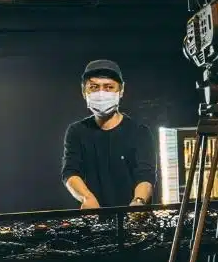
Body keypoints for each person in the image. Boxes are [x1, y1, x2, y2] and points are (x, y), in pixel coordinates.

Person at [61, 59, 157, 209]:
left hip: (133, 221)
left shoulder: (139, 132)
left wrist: (138, 202)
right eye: (94, 87)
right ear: (83, 91)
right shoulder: (76, 132)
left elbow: (145, 176)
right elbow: (70, 172)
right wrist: (86, 198)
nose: (101, 93)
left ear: (121, 90)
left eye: (109, 87)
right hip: (92, 222)